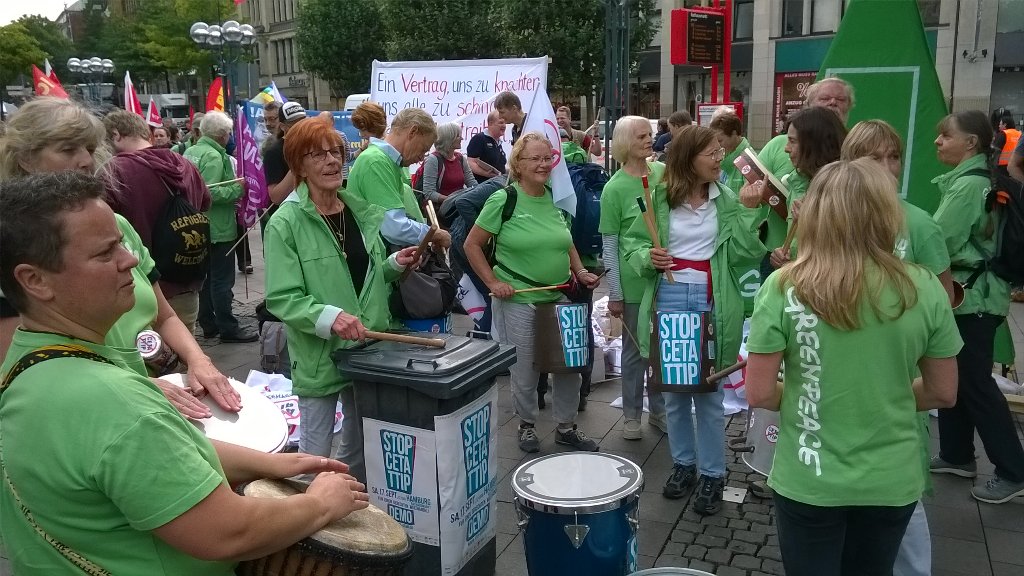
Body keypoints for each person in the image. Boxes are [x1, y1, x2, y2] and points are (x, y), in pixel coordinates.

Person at [0, 171, 371, 574]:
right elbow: (227, 531)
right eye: (105, 253)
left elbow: (145, 460)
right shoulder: (115, 404)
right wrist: (319, 503)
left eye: (121, 244)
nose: (129, 260)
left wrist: (272, 463)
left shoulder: (26, 364)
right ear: (35, 281)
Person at [744, 158, 961, 576]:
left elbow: (759, 393)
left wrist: (813, 395)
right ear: (887, 213)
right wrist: (885, 395)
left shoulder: (785, 286)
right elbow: (943, 391)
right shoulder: (925, 286)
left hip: (809, 475)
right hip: (891, 478)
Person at [0, 97, 238, 418]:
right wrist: (136, 386)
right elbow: (23, 370)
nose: (86, 160)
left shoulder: (118, 224)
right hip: (91, 414)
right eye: (68, 149)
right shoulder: (11, 246)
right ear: (26, 158)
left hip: (152, 400)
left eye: (88, 147)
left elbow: (164, 315)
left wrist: (199, 360)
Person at [264, 117, 418, 481]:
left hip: (368, 348)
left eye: (336, 152)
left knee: (360, 443)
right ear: (299, 165)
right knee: (315, 456)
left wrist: (394, 263)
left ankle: (348, 510)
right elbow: (282, 298)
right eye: (318, 155)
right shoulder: (285, 222)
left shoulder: (357, 210)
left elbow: (368, 275)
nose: (333, 161)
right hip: (321, 355)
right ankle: (309, 525)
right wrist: (331, 317)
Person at [622, 125, 764, 514]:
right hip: (667, 295)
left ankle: (714, 473)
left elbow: (745, 255)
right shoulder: (660, 199)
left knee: (710, 390)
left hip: (711, 298)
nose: (720, 160)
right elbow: (633, 244)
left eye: (721, 152)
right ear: (689, 159)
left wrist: (750, 214)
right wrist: (646, 258)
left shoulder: (729, 199)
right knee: (674, 390)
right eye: (712, 154)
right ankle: (684, 464)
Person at [840, 120, 954, 576]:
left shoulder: (919, 223)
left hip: (900, 377)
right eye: (874, 158)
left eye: (893, 157)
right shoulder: (833, 219)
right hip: (845, 377)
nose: (886, 168)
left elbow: (942, 307)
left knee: (901, 488)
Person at [464, 131, 601, 453]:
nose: (543, 164)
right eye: (535, 158)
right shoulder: (504, 199)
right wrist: (493, 284)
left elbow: (565, 243)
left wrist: (579, 270)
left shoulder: (555, 198)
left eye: (547, 158)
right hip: (519, 301)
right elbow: (471, 245)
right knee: (524, 369)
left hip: (559, 298)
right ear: (518, 164)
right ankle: (526, 424)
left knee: (570, 367)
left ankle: (566, 427)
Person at [930, 110, 1024, 503]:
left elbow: (940, 241)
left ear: (970, 142)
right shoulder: (972, 181)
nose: (937, 141)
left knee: (975, 383)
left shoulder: (968, 187)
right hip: (975, 296)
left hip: (974, 299)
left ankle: (1014, 470)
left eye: (945, 135)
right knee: (956, 374)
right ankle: (956, 454)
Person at [103, 110, 212, 333]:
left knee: (148, 362)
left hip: (141, 288)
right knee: (185, 355)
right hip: (186, 280)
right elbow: (204, 204)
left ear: (115, 135)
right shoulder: (184, 163)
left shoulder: (114, 172)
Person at [600, 115, 668, 440]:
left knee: (659, 349)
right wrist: (614, 291)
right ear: (626, 141)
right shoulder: (614, 188)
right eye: (642, 136)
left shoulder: (663, 174)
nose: (649, 140)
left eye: (650, 134)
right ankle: (631, 416)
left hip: (665, 279)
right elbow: (609, 244)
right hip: (632, 283)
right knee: (633, 351)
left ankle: (658, 411)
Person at [759, 77, 854, 257]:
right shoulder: (797, 175)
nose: (833, 103)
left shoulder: (852, 175)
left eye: (840, 99)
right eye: (825, 99)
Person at [183, 111, 256, 343]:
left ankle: (209, 324)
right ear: (223, 135)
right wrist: (239, 189)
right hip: (218, 226)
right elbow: (211, 191)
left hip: (197, 225)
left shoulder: (191, 151)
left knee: (205, 280)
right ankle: (228, 327)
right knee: (222, 280)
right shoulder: (215, 156)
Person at [346, 107, 451, 249]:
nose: (421, 158)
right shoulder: (376, 161)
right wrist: (434, 234)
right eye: (423, 149)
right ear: (413, 132)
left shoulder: (384, 161)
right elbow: (393, 227)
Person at [768, 106, 847, 269]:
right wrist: (787, 258)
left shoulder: (846, 189)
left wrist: (813, 222)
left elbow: (847, 254)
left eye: (792, 141)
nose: (786, 148)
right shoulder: (797, 182)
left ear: (814, 144)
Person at [419, 121, 477, 205]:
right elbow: (429, 193)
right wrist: (453, 200)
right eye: (458, 136)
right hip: (443, 211)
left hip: (461, 206)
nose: (462, 138)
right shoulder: (433, 160)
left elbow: (472, 183)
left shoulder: (461, 159)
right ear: (449, 138)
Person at [709, 111, 750, 194]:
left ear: (734, 134)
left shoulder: (750, 162)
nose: (717, 146)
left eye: (720, 140)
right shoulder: (726, 153)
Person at [466, 110, 507, 180]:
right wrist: (486, 174)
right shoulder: (479, 138)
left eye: (505, 123)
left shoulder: (498, 142)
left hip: (498, 184)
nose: (504, 125)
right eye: (501, 123)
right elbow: (470, 163)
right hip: (483, 185)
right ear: (491, 123)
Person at [991, 112, 1019, 177]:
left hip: (1002, 167)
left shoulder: (1003, 134)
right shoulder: (1019, 134)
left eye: (1000, 124)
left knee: (1001, 185)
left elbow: (995, 150)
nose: (999, 126)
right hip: (1017, 165)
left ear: (1005, 125)